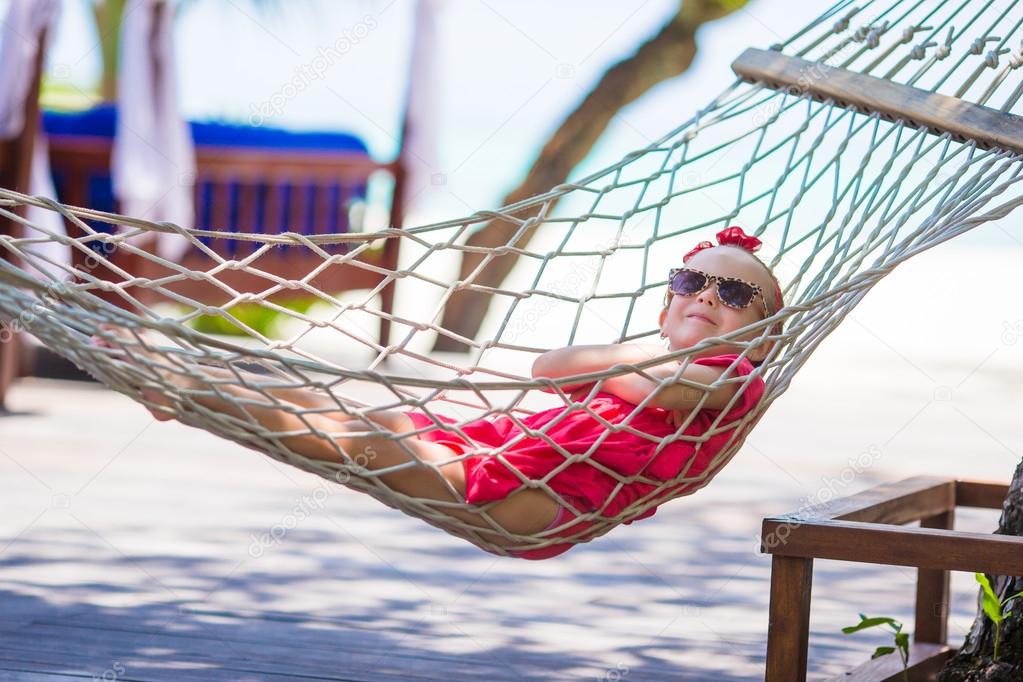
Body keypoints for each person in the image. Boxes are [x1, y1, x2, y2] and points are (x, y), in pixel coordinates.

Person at [92, 226, 782, 559]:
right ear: (664, 306)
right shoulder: (656, 361)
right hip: (509, 459)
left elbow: (598, 373)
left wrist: (632, 355)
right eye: (689, 284)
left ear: (761, 333)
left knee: (367, 440)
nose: (705, 297)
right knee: (365, 416)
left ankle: (187, 388)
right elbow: (551, 365)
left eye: (733, 293)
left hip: (543, 505)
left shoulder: (732, 378)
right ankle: (198, 386)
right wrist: (642, 347)